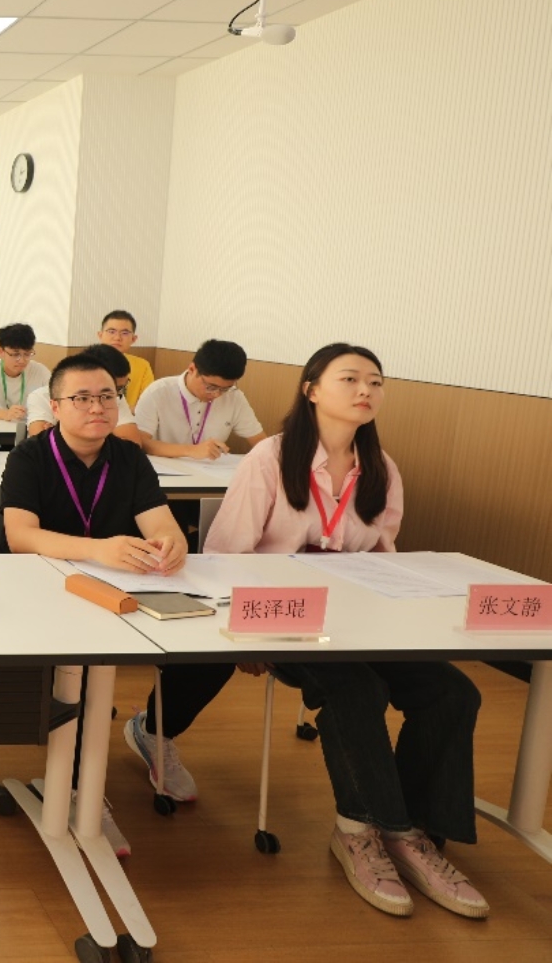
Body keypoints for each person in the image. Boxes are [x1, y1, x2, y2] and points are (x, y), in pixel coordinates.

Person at [196, 343, 487, 919]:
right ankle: (363, 830)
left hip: (362, 620)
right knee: (357, 689)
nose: (365, 391)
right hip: (289, 622)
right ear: (311, 390)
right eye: (350, 379)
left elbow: (384, 555)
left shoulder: (381, 468)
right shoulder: (270, 459)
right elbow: (225, 554)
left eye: (375, 382)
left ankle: (414, 832)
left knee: (454, 692)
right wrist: (249, 635)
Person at [1, 351, 188, 858]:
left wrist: (172, 542)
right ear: (56, 406)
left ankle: (99, 772)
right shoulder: (30, 457)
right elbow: (20, 537)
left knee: (193, 650)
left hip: (114, 592)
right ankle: (81, 792)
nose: (97, 407)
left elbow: (159, 522)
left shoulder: (128, 458)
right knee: (79, 669)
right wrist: (98, 549)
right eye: (82, 398)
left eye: (107, 396)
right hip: (39, 590)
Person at [134, 339, 266, 461]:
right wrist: (190, 450)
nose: (217, 394)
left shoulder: (234, 396)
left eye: (225, 388)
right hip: (163, 471)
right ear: (192, 369)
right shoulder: (158, 392)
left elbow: (260, 442)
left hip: (210, 473)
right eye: (211, 387)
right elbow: (140, 442)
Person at [26, 343, 143, 444]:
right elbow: (42, 444)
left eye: (121, 388)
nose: (117, 393)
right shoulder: (41, 397)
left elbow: (132, 443)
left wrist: (65, 433)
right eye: (115, 387)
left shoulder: (114, 397)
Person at [0, 323, 50, 426]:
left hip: (28, 430)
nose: (22, 360)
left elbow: (54, 402)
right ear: (1, 351)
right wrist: (5, 414)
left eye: (27, 354)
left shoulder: (40, 372)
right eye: (15, 354)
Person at [98, 309, 155, 409]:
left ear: (133, 339)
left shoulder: (142, 366)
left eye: (124, 333)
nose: (117, 338)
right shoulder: (84, 364)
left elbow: (148, 404)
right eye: (111, 332)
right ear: (100, 335)